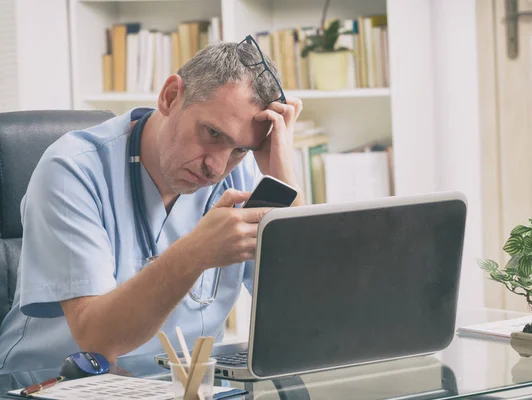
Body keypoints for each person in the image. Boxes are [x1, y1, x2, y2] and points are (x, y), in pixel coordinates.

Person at [0, 36, 304, 373]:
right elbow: (98, 342)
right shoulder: (72, 170)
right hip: (53, 384)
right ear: (171, 96)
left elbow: (308, 308)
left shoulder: (241, 173)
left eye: (239, 149)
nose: (216, 167)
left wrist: (285, 180)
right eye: (212, 134)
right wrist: (196, 253)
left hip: (181, 384)